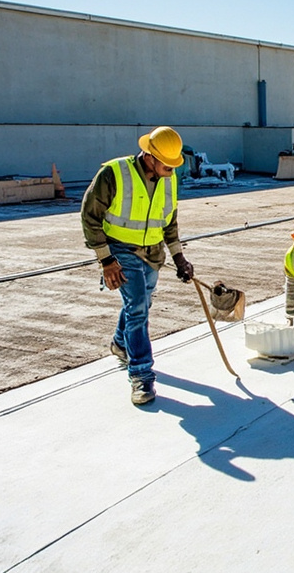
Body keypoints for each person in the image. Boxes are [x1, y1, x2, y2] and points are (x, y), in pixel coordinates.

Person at [81, 126, 193, 405]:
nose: (171, 169)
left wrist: (179, 258)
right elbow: (90, 216)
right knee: (139, 308)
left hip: (153, 254)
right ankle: (141, 375)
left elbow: (169, 222)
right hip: (120, 251)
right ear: (149, 156)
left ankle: (120, 344)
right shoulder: (114, 173)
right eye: (167, 164)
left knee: (140, 305)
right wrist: (106, 260)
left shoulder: (169, 178)